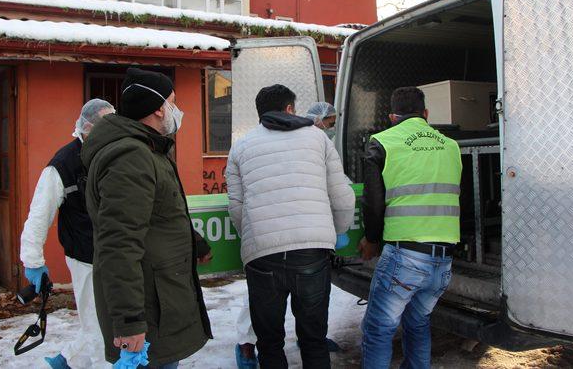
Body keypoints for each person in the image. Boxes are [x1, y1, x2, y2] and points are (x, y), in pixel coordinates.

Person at [81, 68, 212, 369]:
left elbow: (159, 215)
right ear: (157, 108)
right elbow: (119, 243)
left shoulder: (148, 149)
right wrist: (129, 321)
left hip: (160, 300)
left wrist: (196, 244)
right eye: (173, 102)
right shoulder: (131, 157)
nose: (177, 110)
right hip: (149, 308)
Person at [226, 84, 355, 369]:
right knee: (313, 340)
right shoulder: (318, 139)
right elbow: (343, 196)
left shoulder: (240, 146)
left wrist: (255, 238)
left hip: (262, 258)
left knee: (270, 343)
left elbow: (236, 208)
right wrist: (337, 231)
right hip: (311, 254)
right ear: (289, 109)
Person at [358, 87, 462, 368]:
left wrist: (371, 239)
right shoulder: (451, 146)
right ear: (426, 114)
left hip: (405, 257)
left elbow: (373, 202)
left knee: (379, 329)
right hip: (443, 260)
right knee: (418, 324)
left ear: (393, 117)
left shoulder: (382, 142)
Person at [19, 98, 115, 369]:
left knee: (106, 320)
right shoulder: (63, 164)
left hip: (116, 256)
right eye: (102, 125)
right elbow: (39, 215)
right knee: (99, 326)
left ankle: (66, 362)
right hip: (86, 258)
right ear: (86, 128)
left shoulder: (113, 155)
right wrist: (34, 262)